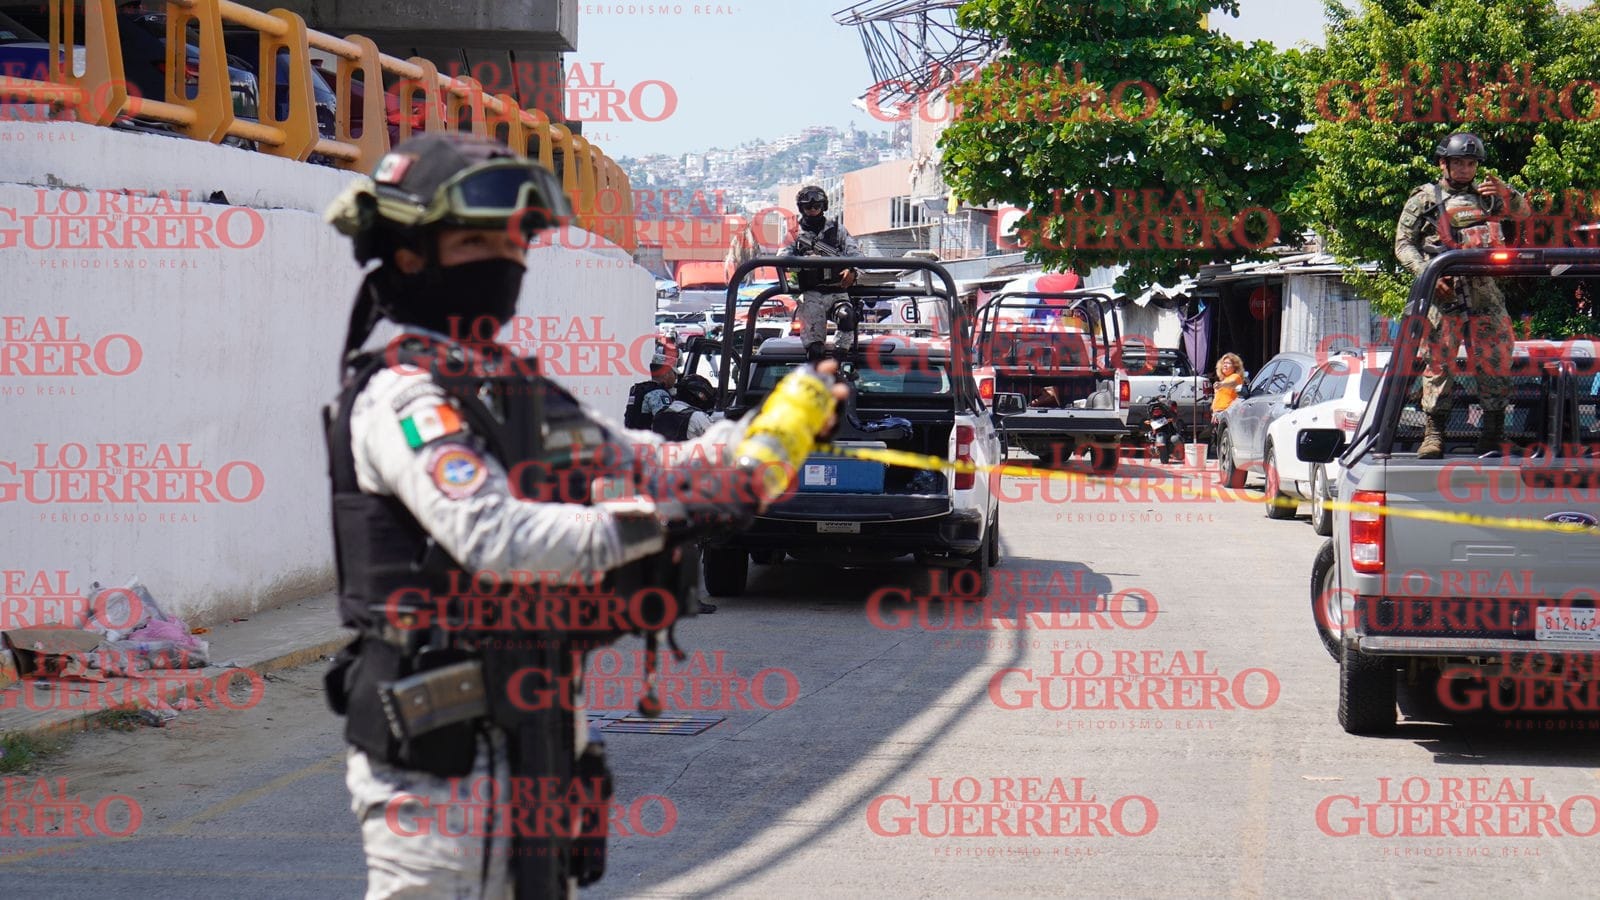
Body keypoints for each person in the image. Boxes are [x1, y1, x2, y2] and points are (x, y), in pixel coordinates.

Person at [320, 132, 844, 898]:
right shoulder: (405, 399)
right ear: (408, 256)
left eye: (514, 243)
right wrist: (667, 523)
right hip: (441, 771)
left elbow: (648, 461)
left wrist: (783, 424)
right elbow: (493, 535)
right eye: (477, 242)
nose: (507, 263)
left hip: (540, 736)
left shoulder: (515, 391)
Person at [1395, 131, 1530, 457]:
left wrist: (1508, 193)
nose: (1465, 169)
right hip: (1444, 295)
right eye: (1459, 163)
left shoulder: (1488, 196)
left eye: (1471, 163)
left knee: (1496, 361)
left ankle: (1493, 433)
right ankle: (1434, 435)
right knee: (1438, 364)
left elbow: (1524, 213)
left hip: (1486, 295)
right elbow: (1402, 244)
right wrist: (1427, 274)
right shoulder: (1425, 199)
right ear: (1444, 163)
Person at [781, 185, 863, 362]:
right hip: (811, 294)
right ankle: (818, 380)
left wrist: (852, 271)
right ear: (801, 208)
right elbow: (783, 261)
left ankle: (838, 365)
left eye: (816, 206)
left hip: (837, 292)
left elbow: (858, 256)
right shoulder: (795, 234)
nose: (812, 210)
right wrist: (804, 263)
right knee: (816, 350)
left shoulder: (838, 230)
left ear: (823, 206)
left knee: (847, 317)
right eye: (808, 207)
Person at [624, 345, 676, 429]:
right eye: (674, 373)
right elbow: (666, 423)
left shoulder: (638, 389)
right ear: (666, 374)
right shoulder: (659, 393)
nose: (676, 377)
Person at [652, 374, 715, 441]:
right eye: (704, 397)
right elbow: (716, 440)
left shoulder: (659, 414)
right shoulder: (697, 417)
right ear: (698, 395)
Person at [1211, 353, 1245, 420]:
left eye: (1228, 363)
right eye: (1224, 363)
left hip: (1228, 413)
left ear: (1235, 366)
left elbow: (1232, 383)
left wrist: (1221, 385)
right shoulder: (1224, 379)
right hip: (1218, 414)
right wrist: (1214, 412)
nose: (1225, 365)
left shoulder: (1236, 377)